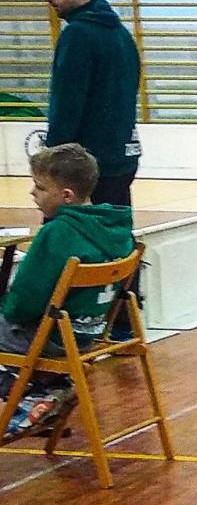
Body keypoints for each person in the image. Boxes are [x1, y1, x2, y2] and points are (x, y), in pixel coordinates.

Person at [2, 145, 135, 401]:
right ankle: (46, 388)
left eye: (40, 187)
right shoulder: (118, 231)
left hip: (51, 339)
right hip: (89, 335)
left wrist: (7, 309)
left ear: (66, 196)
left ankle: (27, 397)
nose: (32, 193)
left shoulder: (58, 232)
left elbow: (26, 299)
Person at [41, 0, 142, 211]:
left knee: (66, 243)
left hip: (83, 171)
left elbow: (66, 105)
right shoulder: (121, 33)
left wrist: (49, 163)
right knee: (115, 241)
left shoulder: (77, 35)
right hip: (123, 159)